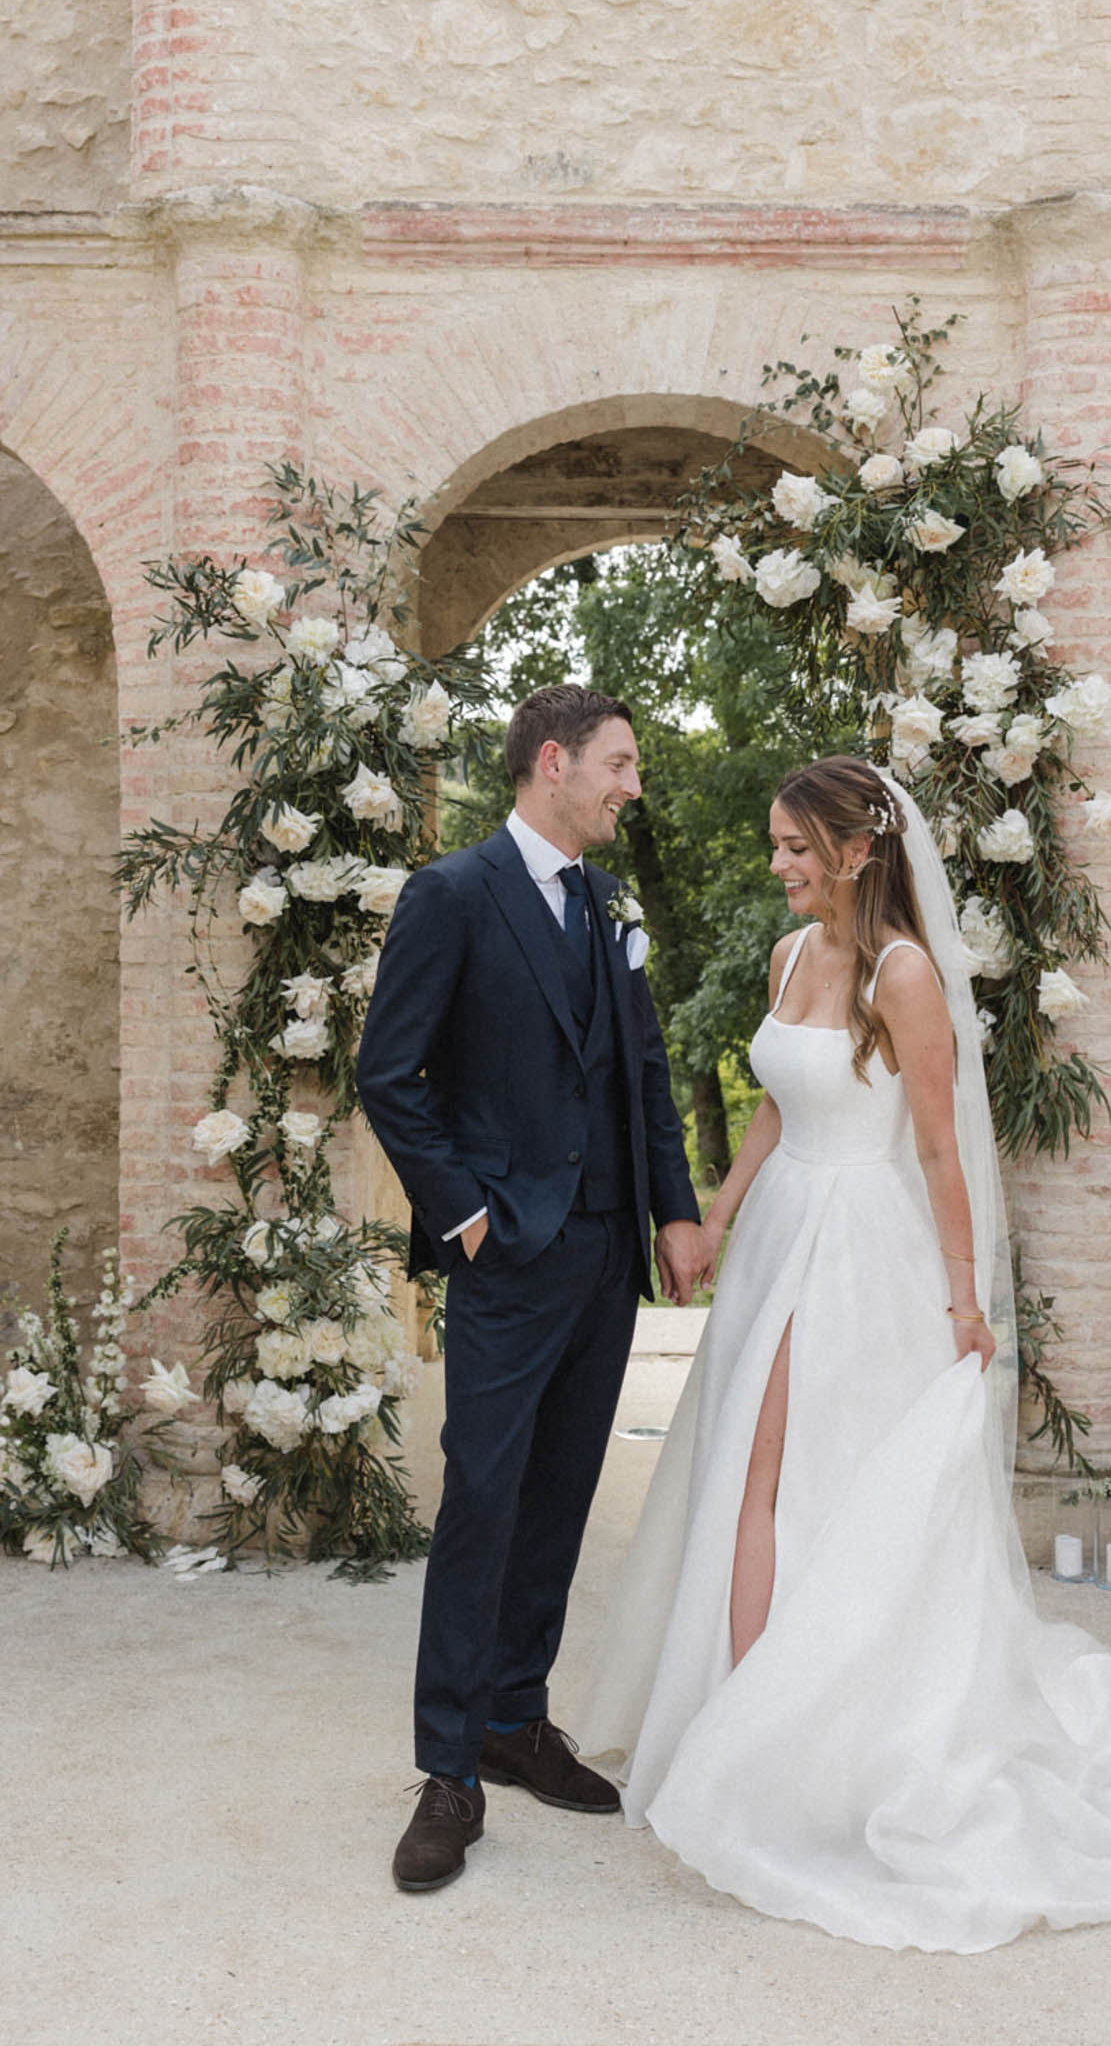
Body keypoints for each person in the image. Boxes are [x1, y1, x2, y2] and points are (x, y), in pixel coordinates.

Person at [578, 754, 1111, 1954]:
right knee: (741, 1466)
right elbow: (774, 1101)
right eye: (774, 845)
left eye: (798, 848)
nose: (780, 866)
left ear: (858, 850)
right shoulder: (789, 957)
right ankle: (739, 1709)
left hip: (865, 1251)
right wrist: (721, 1204)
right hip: (781, 1232)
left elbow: (947, 1150)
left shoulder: (905, 973)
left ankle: (784, 1732)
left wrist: (963, 1298)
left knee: (804, 1472)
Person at [357, 683, 706, 1893]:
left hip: (607, 1250)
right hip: (506, 1251)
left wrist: (673, 1206)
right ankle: (448, 1766)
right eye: (619, 762)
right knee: (484, 1503)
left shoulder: (610, 903)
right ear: (552, 763)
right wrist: (465, 1217)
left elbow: (646, 1065)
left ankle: (515, 1718)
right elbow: (388, 1073)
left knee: (559, 1495)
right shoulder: (450, 894)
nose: (632, 784)